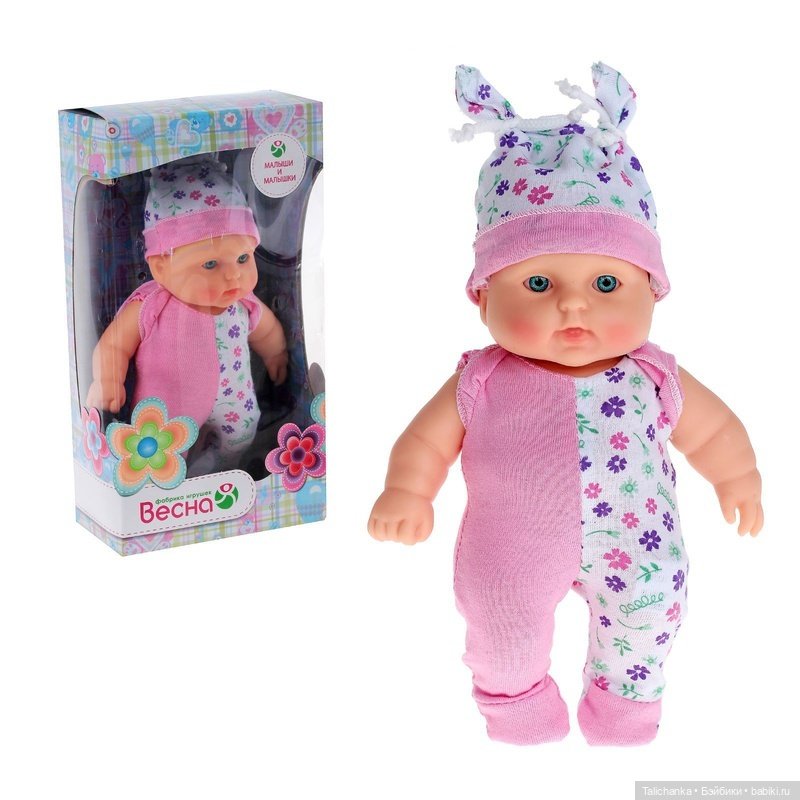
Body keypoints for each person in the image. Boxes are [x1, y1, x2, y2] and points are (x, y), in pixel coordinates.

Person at [368, 63, 763, 746]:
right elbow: (427, 441)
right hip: (513, 547)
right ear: (483, 299)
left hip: (638, 546)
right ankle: (517, 707)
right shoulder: (482, 376)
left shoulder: (653, 375)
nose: (573, 305)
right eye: (539, 283)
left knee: (651, 612)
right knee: (500, 623)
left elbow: (713, 429)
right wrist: (408, 490)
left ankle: (624, 707)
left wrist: (738, 476)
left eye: (606, 283)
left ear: (652, 291)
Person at [87, 156, 288, 476]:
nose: (233, 276)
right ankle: (172, 480)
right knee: (163, 448)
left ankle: (222, 468)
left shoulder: (243, 303)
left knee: (242, 435)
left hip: (237, 403)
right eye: (210, 264)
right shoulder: (151, 305)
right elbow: (114, 345)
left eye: (242, 258)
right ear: (160, 267)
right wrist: (107, 379)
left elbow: (267, 331)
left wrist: (276, 354)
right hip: (169, 411)